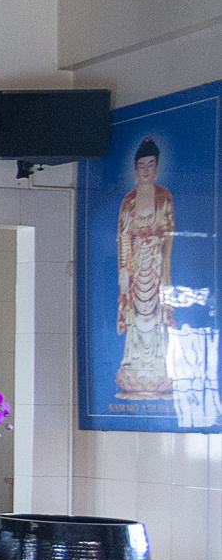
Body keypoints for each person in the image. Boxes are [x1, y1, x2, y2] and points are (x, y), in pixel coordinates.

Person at [116, 137, 176, 399]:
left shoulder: (164, 196)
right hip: (134, 262)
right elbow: (123, 236)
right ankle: (135, 364)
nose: (146, 170)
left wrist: (158, 238)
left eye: (151, 165)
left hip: (155, 264)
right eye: (141, 165)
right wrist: (124, 271)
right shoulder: (128, 200)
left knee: (155, 315)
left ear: (157, 167)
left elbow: (171, 230)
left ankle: (157, 367)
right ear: (135, 168)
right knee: (135, 315)